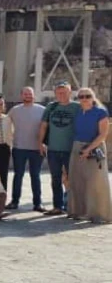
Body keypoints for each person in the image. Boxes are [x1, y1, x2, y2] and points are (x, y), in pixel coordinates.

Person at [66, 88, 110, 224]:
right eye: (81, 96)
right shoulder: (78, 111)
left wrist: (88, 149)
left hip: (94, 148)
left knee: (95, 182)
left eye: (88, 96)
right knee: (77, 180)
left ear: (93, 97)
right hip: (77, 147)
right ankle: (79, 211)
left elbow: (103, 134)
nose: (84, 99)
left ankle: (99, 214)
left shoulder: (100, 112)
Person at [38, 81, 79, 215]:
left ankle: (72, 206)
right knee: (55, 178)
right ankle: (57, 206)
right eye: (59, 92)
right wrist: (40, 143)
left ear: (70, 92)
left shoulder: (77, 107)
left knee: (72, 178)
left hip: (70, 149)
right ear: (55, 93)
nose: (61, 94)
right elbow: (44, 126)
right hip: (53, 149)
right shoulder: (51, 107)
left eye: (64, 92)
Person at [7, 87, 46, 212]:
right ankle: (14, 201)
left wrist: (44, 144)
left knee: (36, 175)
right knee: (18, 175)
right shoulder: (14, 110)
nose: (28, 96)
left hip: (36, 148)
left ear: (34, 96)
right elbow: (6, 124)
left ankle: (38, 203)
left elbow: (47, 129)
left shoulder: (42, 110)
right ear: (21, 96)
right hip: (19, 148)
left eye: (30, 94)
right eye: (25, 94)